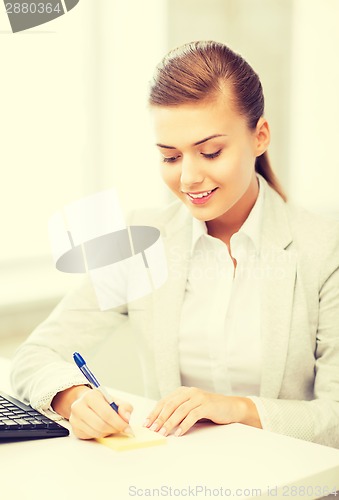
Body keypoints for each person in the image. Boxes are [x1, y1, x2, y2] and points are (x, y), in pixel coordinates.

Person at [11, 40, 339, 447]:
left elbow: (334, 416)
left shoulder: (324, 250)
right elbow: (34, 355)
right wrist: (72, 397)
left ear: (260, 137)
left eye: (211, 152)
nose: (187, 179)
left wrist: (235, 408)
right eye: (170, 157)